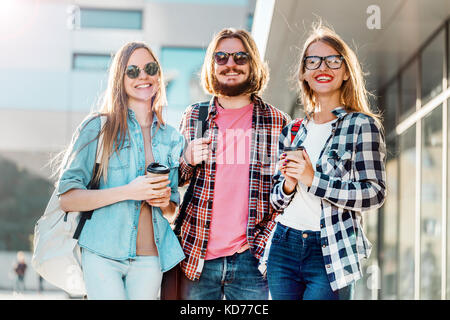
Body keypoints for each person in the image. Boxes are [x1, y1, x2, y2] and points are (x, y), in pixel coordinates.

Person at [56, 41, 185, 300]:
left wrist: (163, 202)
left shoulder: (172, 138)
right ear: (120, 79)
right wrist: (129, 191)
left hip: (150, 259)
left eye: (149, 68)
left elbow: (172, 209)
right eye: (132, 71)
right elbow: (67, 198)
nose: (143, 76)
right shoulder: (98, 128)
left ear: (158, 74)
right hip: (102, 254)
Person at [267, 24, 386, 300]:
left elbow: (374, 193)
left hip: (330, 249)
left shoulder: (361, 125)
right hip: (284, 246)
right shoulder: (293, 130)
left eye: (333, 60)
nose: (323, 67)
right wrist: (288, 184)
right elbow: (274, 201)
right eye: (313, 61)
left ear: (346, 72)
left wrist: (313, 180)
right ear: (304, 74)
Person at [178, 28, 290, 300]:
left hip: (253, 261)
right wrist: (186, 160)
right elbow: (176, 182)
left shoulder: (278, 122)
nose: (231, 64)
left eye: (240, 57)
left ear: (252, 64)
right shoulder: (195, 116)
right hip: (197, 258)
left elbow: (286, 194)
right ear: (212, 65)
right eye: (222, 57)